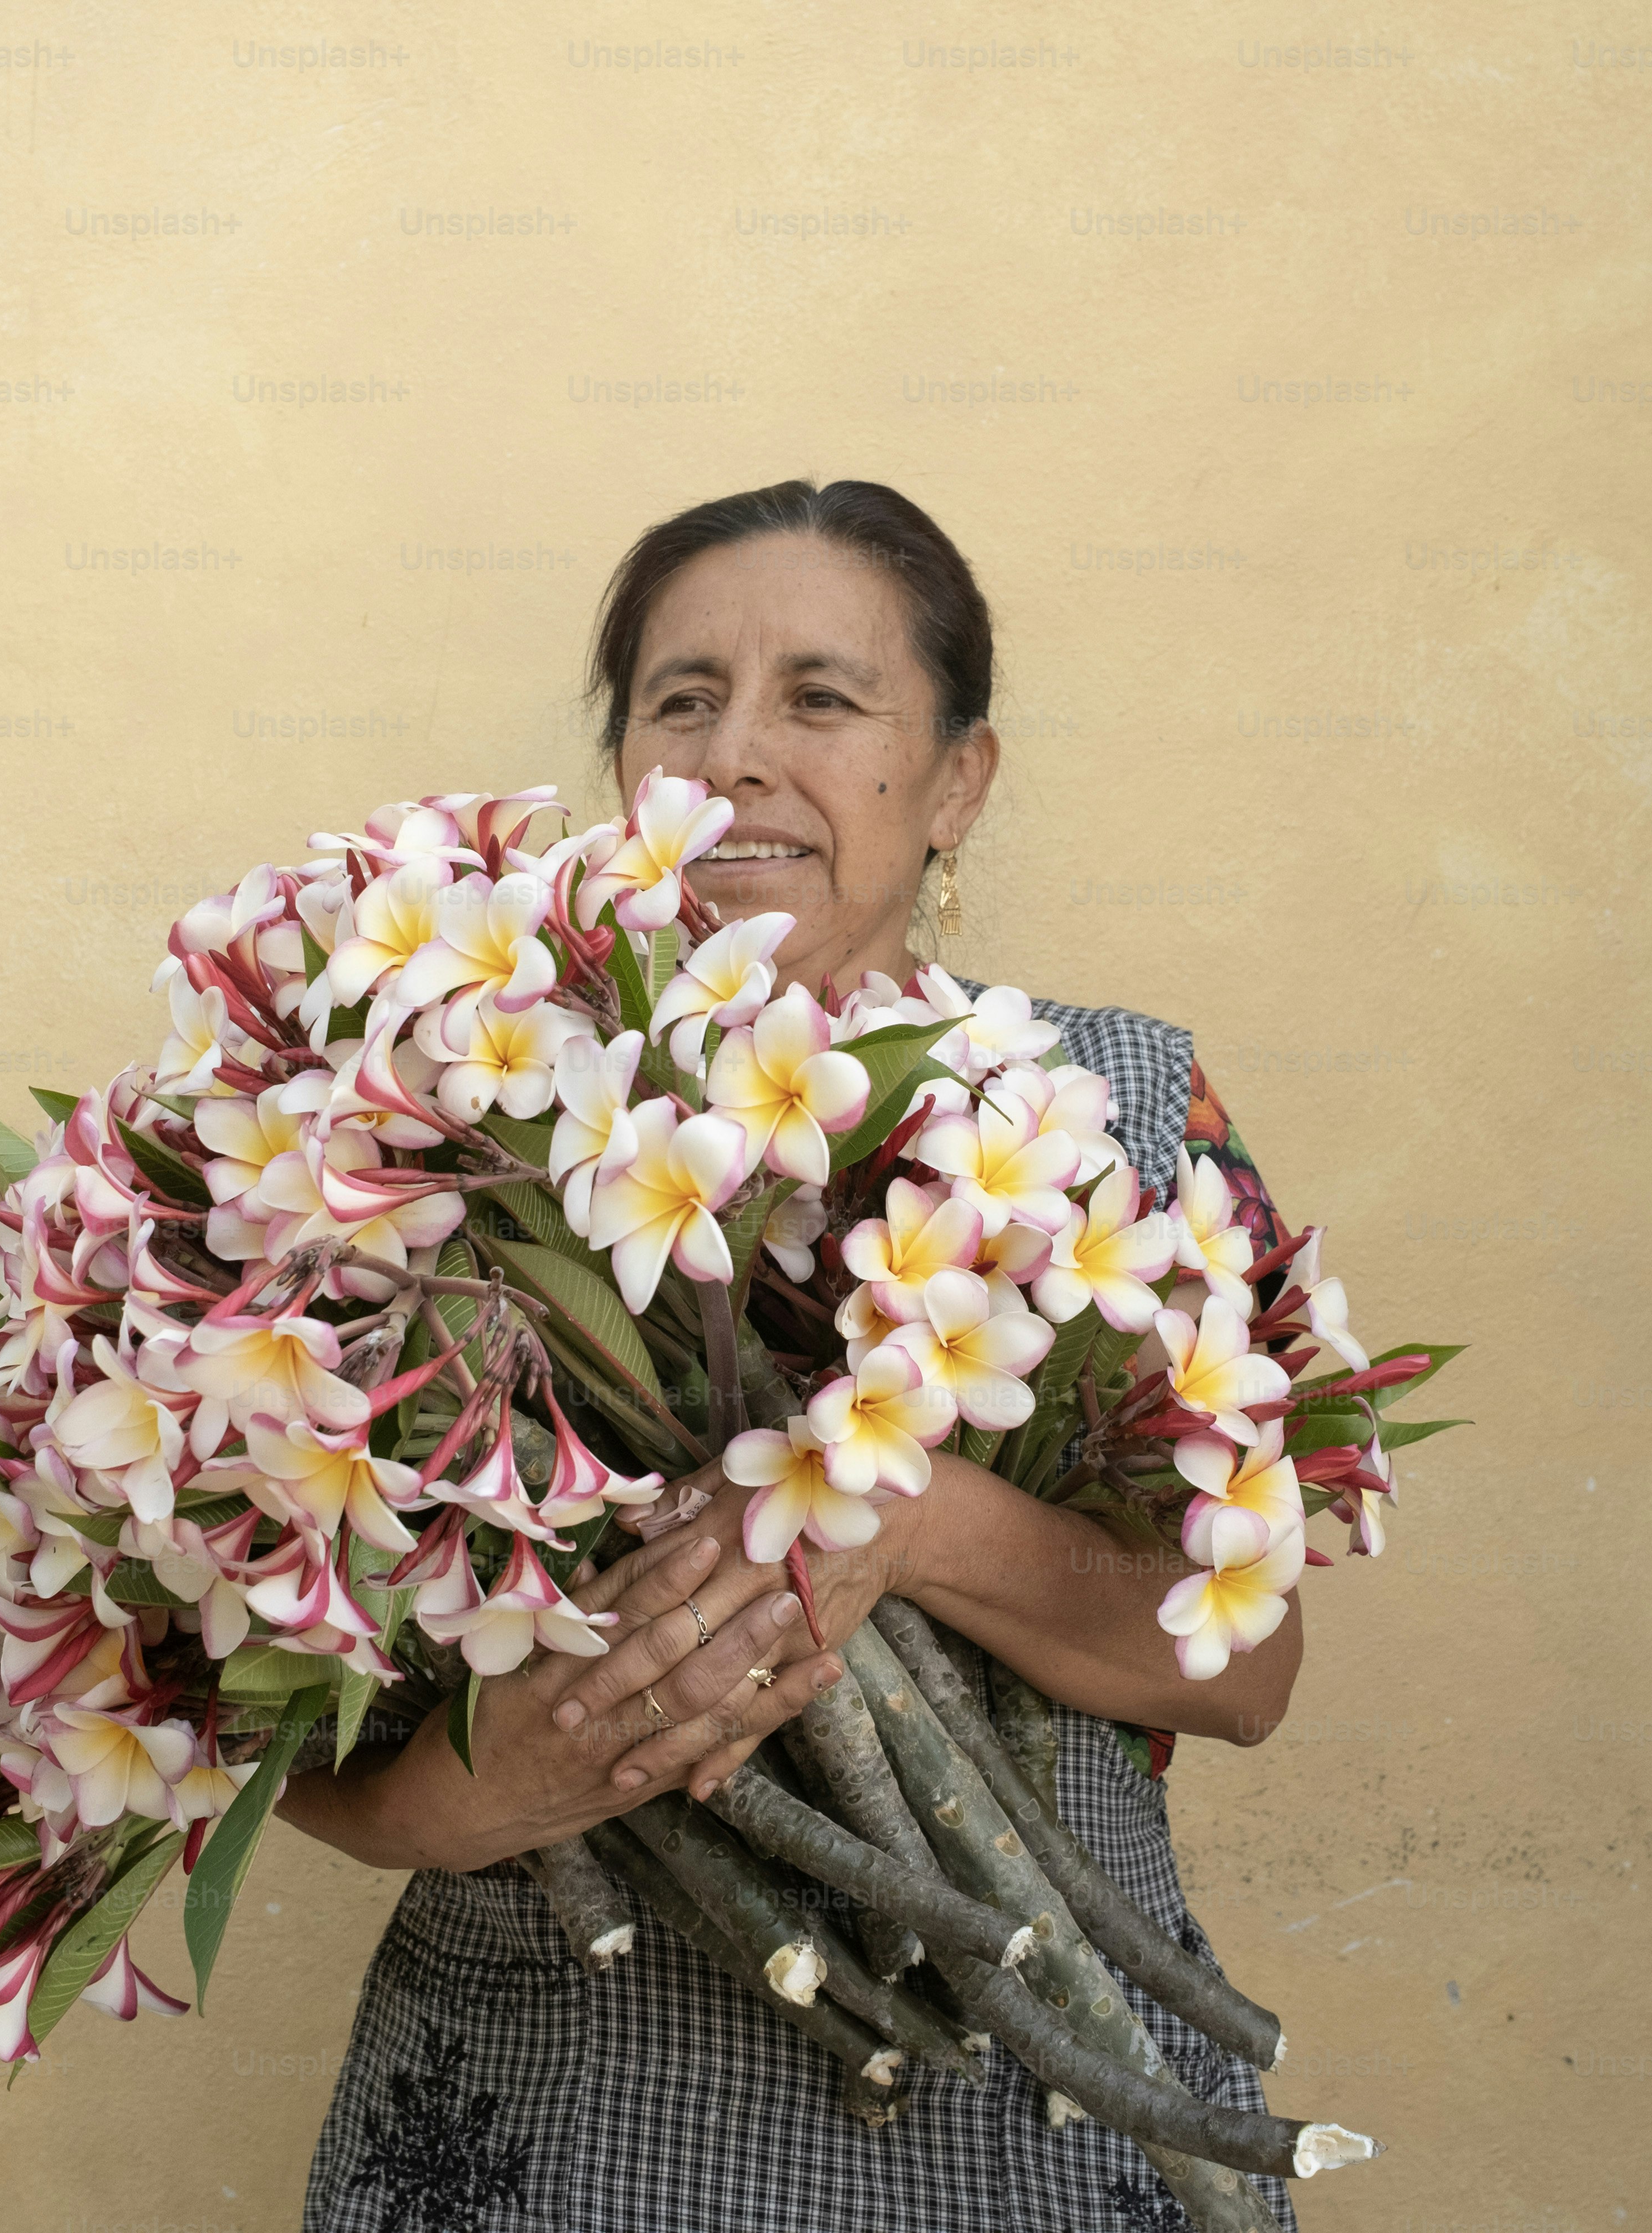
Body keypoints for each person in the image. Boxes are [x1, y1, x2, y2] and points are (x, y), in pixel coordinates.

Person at [284, 480, 1308, 2232]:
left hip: (1026, 2126)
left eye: (822, 700)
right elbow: (267, 1689)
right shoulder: (441, 1126)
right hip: (547, 2121)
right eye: (683, 700)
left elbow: (1247, 1664)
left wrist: (899, 1522)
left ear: (959, 781)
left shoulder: (1119, 1116)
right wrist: (459, 1804)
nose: (739, 756)